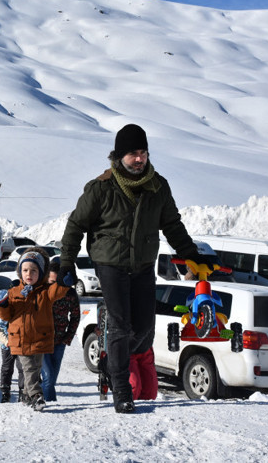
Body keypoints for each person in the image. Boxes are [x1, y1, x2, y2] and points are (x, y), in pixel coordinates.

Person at [59, 123, 207, 414]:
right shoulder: (101, 188)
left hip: (142, 264)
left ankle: (110, 360)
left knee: (143, 327)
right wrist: (67, 262)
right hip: (109, 262)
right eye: (133, 154)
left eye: (143, 152)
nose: (139, 159)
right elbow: (76, 225)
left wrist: (190, 253)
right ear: (118, 156)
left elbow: (172, 224)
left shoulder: (157, 186)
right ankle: (121, 390)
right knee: (120, 323)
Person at [0, 249, 73, 412]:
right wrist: (1, 305)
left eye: (34, 271)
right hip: (20, 339)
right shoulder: (13, 293)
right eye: (25, 270)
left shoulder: (46, 291)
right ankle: (36, 395)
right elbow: (6, 316)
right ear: (20, 272)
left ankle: (27, 396)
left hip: (40, 338)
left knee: (35, 370)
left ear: (41, 273)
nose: (29, 274)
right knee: (28, 368)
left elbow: (58, 290)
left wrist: (65, 281)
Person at [41, 260, 80, 402]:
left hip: (59, 342)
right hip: (41, 341)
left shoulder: (70, 293)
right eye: (52, 282)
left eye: (58, 283)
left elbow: (75, 317)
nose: (55, 287)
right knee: (48, 378)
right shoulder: (41, 290)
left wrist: (67, 338)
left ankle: (38, 399)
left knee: (51, 380)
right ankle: (49, 406)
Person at [0, 279, 26, 403]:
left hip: (21, 343)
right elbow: (0, 322)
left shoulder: (23, 304)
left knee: (22, 368)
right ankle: (5, 391)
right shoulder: (5, 304)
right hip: (7, 344)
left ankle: (23, 391)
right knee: (7, 368)